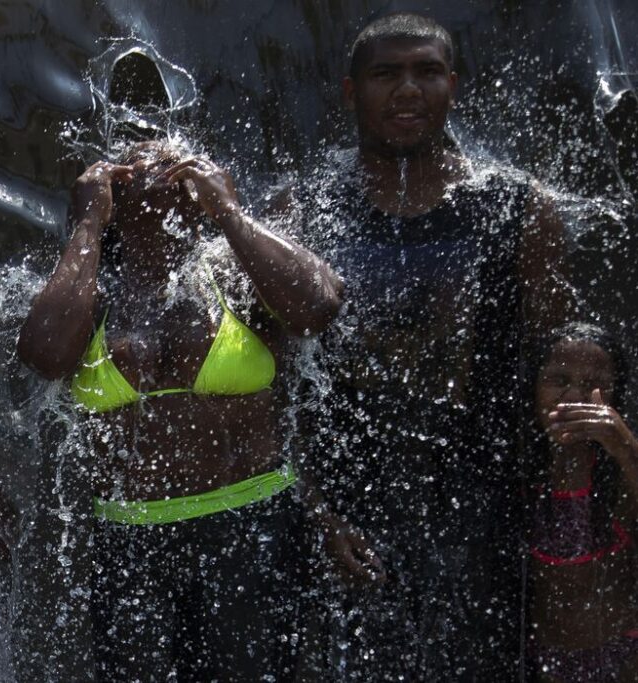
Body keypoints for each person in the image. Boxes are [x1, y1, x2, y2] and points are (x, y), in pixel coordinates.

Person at [281, 13, 574, 679]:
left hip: (483, 511)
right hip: (347, 505)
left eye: (426, 72)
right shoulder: (306, 207)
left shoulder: (519, 207)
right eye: (387, 74)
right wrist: (318, 513)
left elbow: (551, 371)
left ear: (454, 85)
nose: (408, 90)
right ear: (352, 91)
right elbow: (277, 384)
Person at [16, 139, 343, 680]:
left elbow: (318, 305)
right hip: (130, 543)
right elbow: (45, 355)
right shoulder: (90, 291)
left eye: (174, 151)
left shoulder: (232, 274)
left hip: (251, 526)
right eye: (139, 153)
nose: (161, 156)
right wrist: (88, 226)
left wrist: (231, 213)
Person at [527, 323, 638, 682]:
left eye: (596, 386)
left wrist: (625, 449)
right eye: (558, 380)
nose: (574, 396)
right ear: (531, 387)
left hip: (623, 653)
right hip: (542, 658)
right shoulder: (518, 467)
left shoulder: (620, 470)